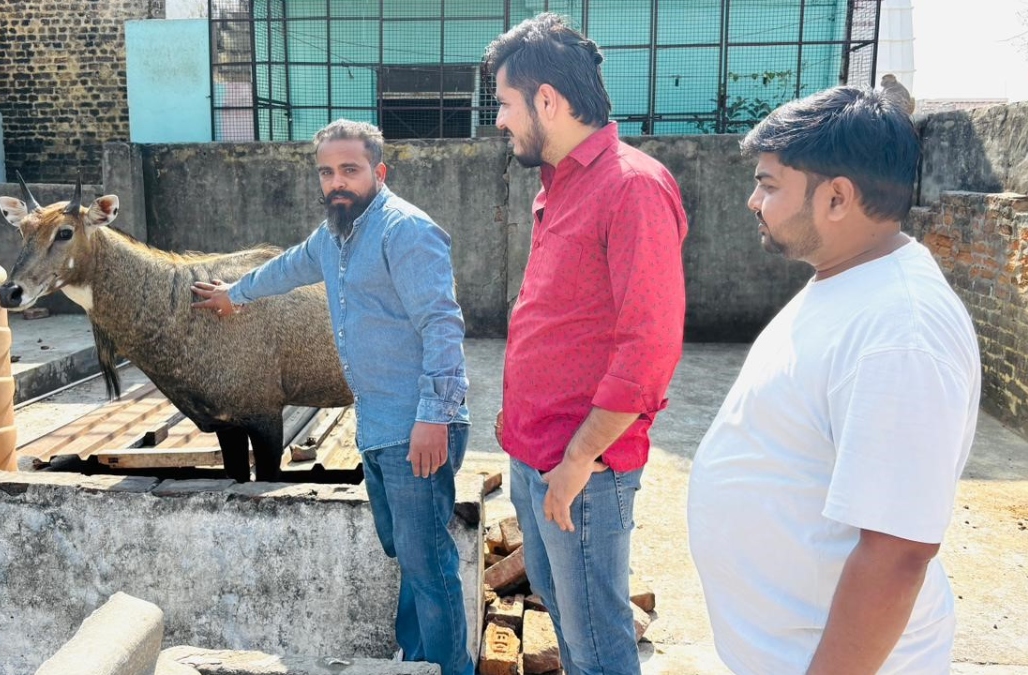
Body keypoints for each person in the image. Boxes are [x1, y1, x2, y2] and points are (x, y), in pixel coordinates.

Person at [687, 86, 980, 674]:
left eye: (769, 185)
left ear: (838, 197)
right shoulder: (849, 281)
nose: (752, 200)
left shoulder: (901, 331)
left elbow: (898, 553)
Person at [190, 119, 474, 675]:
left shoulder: (405, 231)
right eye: (327, 172)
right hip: (377, 424)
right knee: (405, 552)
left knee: (427, 561)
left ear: (379, 171)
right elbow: (291, 266)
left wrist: (435, 417)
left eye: (350, 169)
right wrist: (234, 294)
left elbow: (443, 325)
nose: (337, 182)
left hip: (418, 424)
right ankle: (416, 659)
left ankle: (447, 668)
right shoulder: (335, 236)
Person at [483, 13, 688, 675]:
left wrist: (577, 457)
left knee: (598, 647)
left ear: (547, 99)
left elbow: (648, 347)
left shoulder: (631, 188)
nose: (500, 121)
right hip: (536, 452)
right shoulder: (560, 186)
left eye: (505, 104)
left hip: (585, 470)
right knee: (571, 633)